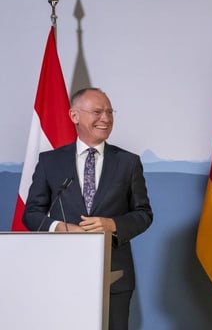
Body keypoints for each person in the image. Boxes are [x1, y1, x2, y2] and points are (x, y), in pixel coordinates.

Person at [23, 87, 153, 330]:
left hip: (115, 277)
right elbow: (31, 214)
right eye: (97, 111)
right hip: (62, 274)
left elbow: (144, 214)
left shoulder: (128, 162)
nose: (106, 118)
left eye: (109, 112)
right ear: (74, 116)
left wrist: (113, 225)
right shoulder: (50, 162)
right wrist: (60, 227)